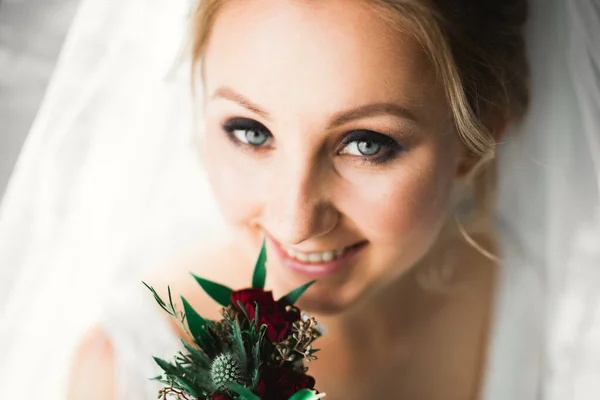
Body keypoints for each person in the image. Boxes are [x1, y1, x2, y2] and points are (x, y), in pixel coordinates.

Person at [66, 0, 533, 399]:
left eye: (367, 144)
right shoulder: (129, 373)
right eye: (251, 132)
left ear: (478, 138)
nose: (295, 223)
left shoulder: (560, 299)